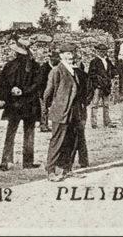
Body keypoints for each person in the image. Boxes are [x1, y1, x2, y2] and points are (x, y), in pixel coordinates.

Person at [0, 36, 41, 171]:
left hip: (17, 104)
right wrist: (19, 91)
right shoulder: (33, 66)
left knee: (13, 132)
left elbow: (0, 83)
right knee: (28, 133)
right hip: (27, 104)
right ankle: (26, 162)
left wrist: (9, 93)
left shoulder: (11, 65)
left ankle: (6, 161)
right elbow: (37, 85)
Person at [43, 45, 82, 181]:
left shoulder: (74, 70)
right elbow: (48, 93)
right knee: (57, 141)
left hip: (73, 112)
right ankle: (51, 171)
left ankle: (66, 169)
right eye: (67, 53)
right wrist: (49, 109)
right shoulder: (56, 71)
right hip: (60, 111)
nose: (70, 56)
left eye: (72, 53)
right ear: (61, 56)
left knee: (70, 141)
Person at [69, 52, 93, 169]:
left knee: (73, 134)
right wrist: (85, 103)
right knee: (80, 133)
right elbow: (90, 92)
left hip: (73, 108)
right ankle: (83, 160)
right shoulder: (83, 74)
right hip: (81, 108)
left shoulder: (72, 74)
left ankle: (71, 160)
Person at [86, 44, 116, 129]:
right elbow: (91, 75)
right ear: (98, 52)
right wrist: (97, 84)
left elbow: (113, 71)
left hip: (106, 86)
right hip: (98, 86)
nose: (103, 53)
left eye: (104, 51)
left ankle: (107, 122)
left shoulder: (108, 61)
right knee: (95, 104)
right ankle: (94, 123)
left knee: (106, 104)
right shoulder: (94, 61)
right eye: (101, 51)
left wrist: (110, 77)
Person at [37, 51, 58, 133]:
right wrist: (42, 94)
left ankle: (53, 125)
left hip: (54, 92)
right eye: (56, 58)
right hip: (44, 91)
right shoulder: (44, 68)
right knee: (44, 109)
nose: (58, 60)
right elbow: (40, 82)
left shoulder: (57, 68)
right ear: (51, 59)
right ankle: (43, 125)